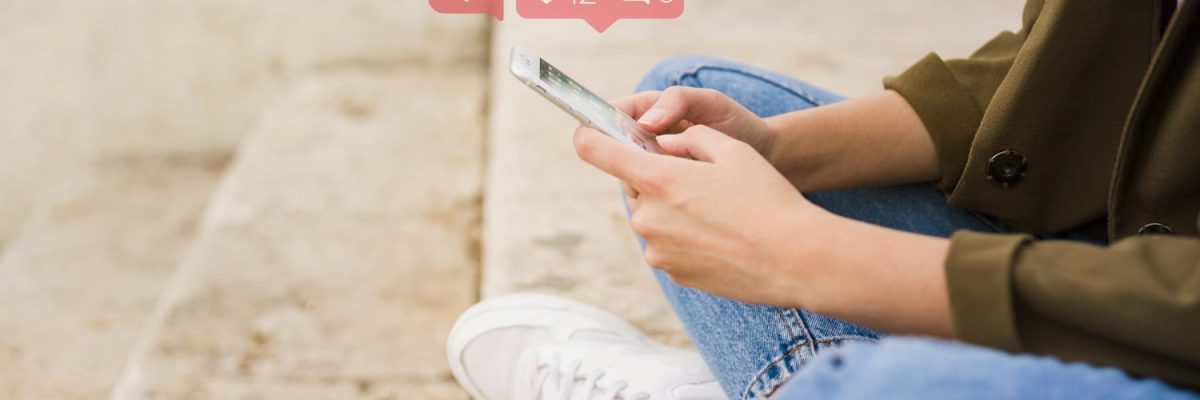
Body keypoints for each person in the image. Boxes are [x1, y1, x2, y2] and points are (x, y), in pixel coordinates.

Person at [447, 0, 1200, 398]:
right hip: (1133, 264)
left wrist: (805, 255)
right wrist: (777, 153)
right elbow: (1096, 66)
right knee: (704, 92)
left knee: (870, 388)